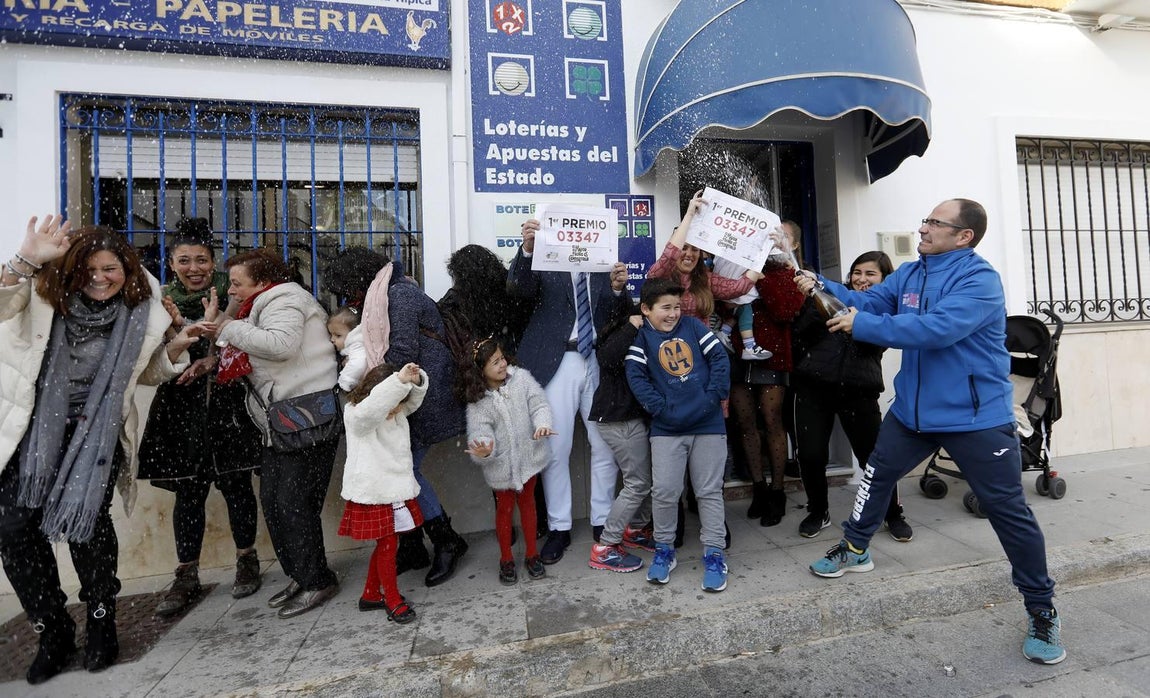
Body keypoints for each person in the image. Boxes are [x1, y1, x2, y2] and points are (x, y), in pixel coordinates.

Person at [797, 199, 1064, 665]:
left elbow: (936, 329)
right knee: (876, 475)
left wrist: (863, 325)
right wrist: (818, 284)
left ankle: (1041, 607)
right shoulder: (912, 272)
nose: (923, 227)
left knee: (1008, 512)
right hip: (914, 414)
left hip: (974, 418)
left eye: (935, 223)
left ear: (964, 235)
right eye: (925, 219)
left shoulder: (979, 280)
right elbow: (869, 300)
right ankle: (856, 547)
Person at [0, 216, 198, 684]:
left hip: (95, 435)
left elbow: (143, 374)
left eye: (111, 268)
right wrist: (24, 260)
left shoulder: (141, 308)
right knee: (13, 530)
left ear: (126, 269)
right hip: (31, 431)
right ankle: (52, 630)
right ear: (71, 270)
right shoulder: (43, 294)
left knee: (88, 528)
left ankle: (102, 621)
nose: (101, 278)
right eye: (90, 270)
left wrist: (174, 352)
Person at [202, 249, 340, 619]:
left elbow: (280, 346)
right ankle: (302, 574)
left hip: (304, 417)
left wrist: (226, 326)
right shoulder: (256, 304)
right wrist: (225, 321)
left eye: (237, 283)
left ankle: (316, 580)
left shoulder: (285, 298)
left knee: (294, 504)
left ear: (262, 283)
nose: (230, 290)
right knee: (277, 503)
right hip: (280, 421)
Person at [137, 218, 264, 618]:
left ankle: (247, 560)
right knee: (188, 494)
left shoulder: (235, 296)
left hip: (226, 405)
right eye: (185, 260)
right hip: (180, 409)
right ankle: (186, 574)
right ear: (171, 263)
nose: (194, 268)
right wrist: (177, 334)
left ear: (214, 262)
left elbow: (252, 347)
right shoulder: (156, 306)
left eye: (202, 260)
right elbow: (148, 361)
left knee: (236, 484)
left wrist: (215, 354)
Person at [324, 248, 469, 587]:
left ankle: (446, 540)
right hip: (406, 395)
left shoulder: (399, 295)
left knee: (405, 471)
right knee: (398, 470)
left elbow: (402, 352)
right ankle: (414, 545)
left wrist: (376, 391)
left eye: (349, 289)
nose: (350, 298)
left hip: (423, 396)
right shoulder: (387, 292)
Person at [508, 220, 631, 563]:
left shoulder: (601, 264)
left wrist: (620, 289)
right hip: (556, 361)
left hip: (598, 361)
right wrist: (528, 250)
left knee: (604, 444)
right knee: (555, 447)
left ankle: (603, 522)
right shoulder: (543, 260)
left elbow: (619, 313)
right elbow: (517, 289)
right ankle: (559, 526)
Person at [791, 251, 911, 542]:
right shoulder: (828, 295)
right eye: (857, 272)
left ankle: (892, 513)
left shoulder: (886, 311)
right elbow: (800, 333)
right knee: (811, 455)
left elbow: (875, 345)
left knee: (874, 457)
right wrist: (815, 302)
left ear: (884, 280)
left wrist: (856, 321)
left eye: (871, 274)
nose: (862, 279)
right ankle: (818, 511)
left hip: (860, 390)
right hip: (813, 387)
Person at [625, 278, 731, 592]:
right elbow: (637, 378)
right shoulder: (641, 340)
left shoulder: (695, 329)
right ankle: (664, 551)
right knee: (665, 492)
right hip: (667, 429)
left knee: (709, 492)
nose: (673, 314)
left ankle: (714, 553)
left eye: (676, 307)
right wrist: (662, 410)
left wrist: (713, 397)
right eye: (665, 308)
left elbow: (720, 360)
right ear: (646, 309)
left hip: (708, 425)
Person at [338, 361, 428, 624]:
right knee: (388, 545)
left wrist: (415, 379)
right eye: (394, 396)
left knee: (387, 543)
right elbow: (371, 412)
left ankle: (370, 594)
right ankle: (391, 598)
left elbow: (413, 402)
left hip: (391, 488)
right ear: (378, 391)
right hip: (374, 490)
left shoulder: (394, 408)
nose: (398, 405)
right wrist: (398, 384)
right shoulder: (356, 412)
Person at [729, 223, 806, 527]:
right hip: (739, 356)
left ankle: (778, 490)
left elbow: (785, 312)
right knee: (746, 423)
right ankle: (758, 488)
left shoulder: (792, 274)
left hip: (773, 357)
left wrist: (761, 281)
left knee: (773, 421)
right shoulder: (741, 265)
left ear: (794, 246)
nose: (773, 240)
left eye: (782, 237)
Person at [462, 338, 554, 585]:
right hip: (501, 464)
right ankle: (506, 558)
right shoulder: (479, 399)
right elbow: (479, 430)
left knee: (529, 505)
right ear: (482, 370)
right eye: (495, 362)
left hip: (528, 456)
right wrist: (484, 447)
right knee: (504, 510)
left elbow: (538, 403)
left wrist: (542, 424)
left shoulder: (521, 379)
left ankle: (532, 554)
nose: (502, 365)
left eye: (502, 358)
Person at [586, 305, 653, 573]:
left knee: (645, 481)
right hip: (619, 419)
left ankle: (634, 530)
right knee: (637, 483)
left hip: (630, 418)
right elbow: (608, 359)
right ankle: (605, 547)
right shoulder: (624, 332)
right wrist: (632, 324)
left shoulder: (644, 332)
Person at [328, 306, 366, 392]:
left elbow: (358, 364)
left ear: (353, 333)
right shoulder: (353, 345)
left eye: (338, 335)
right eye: (331, 334)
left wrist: (344, 383)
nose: (332, 339)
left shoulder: (358, 345)